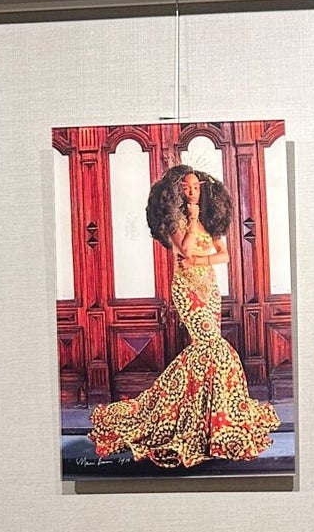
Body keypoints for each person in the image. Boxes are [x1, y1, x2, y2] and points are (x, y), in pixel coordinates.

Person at [88, 164, 279, 467]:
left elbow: (224, 255)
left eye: (196, 187)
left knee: (207, 349)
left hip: (209, 288)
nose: (192, 192)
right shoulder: (175, 221)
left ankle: (205, 414)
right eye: (186, 187)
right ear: (177, 190)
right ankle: (179, 410)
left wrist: (200, 259)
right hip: (187, 289)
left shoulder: (207, 219)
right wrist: (191, 220)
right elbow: (186, 250)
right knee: (209, 346)